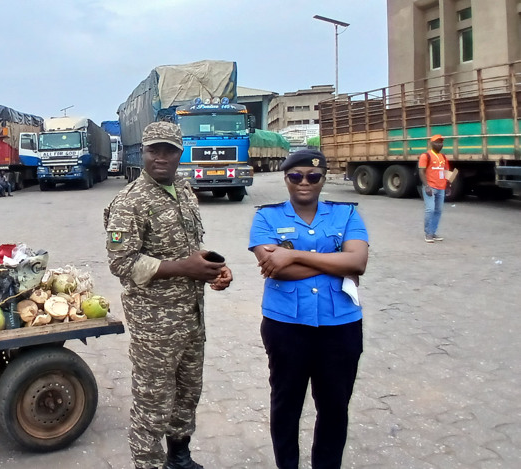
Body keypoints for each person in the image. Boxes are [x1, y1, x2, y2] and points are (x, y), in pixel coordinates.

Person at [104, 122, 232, 469]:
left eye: (169, 150)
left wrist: (213, 268)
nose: (161, 157)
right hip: (154, 326)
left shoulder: (184, 190)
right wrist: (184, 268)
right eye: (153, 150)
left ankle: (180, 456)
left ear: (180, 152)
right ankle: (149, 464)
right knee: (153, 402)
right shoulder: (130, 202)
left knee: (188, 392)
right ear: (142, 152)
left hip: (191, 315)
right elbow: (122, 263)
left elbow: (191, 248)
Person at [248, 149, 369, 469]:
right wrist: (335, 263)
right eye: (296, 176)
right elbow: (275, 268)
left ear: (323, 179)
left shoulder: (345, 214)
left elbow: (358, 261)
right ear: (285, 179)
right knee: (285, 404)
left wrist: (294, 255)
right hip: (286, 325)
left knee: (334, 407)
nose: (305, 182)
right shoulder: (266, 217)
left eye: (313, 176)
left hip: (340, 325)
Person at [418, 134, 449, 243]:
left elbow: (446, 172)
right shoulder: (425, 156)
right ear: (431, 143)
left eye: (441, 142)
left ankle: (433, 232)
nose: (440, 144)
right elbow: (421, 171)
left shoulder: (444, 157)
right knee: (430, 209)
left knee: (438, 211)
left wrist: (448, 185)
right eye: (437, 142)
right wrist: (426, 186)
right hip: (430, 187)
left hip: (441, 187)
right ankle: (428, 233)